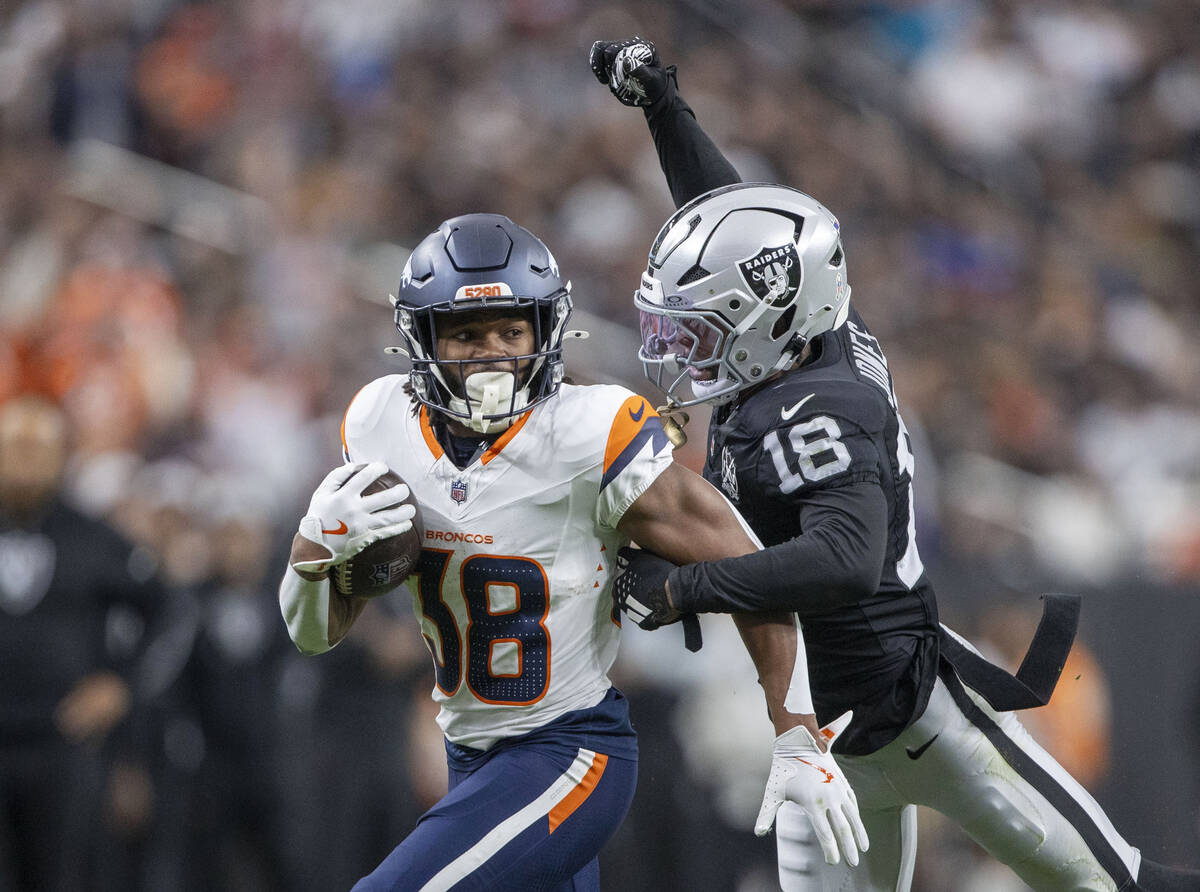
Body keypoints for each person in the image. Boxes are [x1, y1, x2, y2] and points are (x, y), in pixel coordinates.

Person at [590, 37, 1200, 892]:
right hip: (819, 738)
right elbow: (730, 207)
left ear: (765, 320)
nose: (683, 348)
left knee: (1113, 884)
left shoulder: (813, 409)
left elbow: (844, 561)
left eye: (701, 326)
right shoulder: (810, 331)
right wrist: (663, 105)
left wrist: (683, 588)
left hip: (923, 719)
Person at [276, 213, 867, 891]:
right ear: (423, 339)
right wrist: (314, 549)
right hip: (470, 756)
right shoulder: (380, 425)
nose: (493, 353)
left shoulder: (588, 434)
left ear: (546, 331)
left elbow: (750, 566)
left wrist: (795, 731)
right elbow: (313, 632)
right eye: (467, 334)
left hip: (570, 754)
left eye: (511, 330)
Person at [0, 395, 167, 892]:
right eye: (15, 446)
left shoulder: (93, 537)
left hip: (62, 742)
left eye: (39, 447)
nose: (26, 459)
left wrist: (122, 684)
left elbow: (167, 610)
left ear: (62, 456)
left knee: (60, 876)